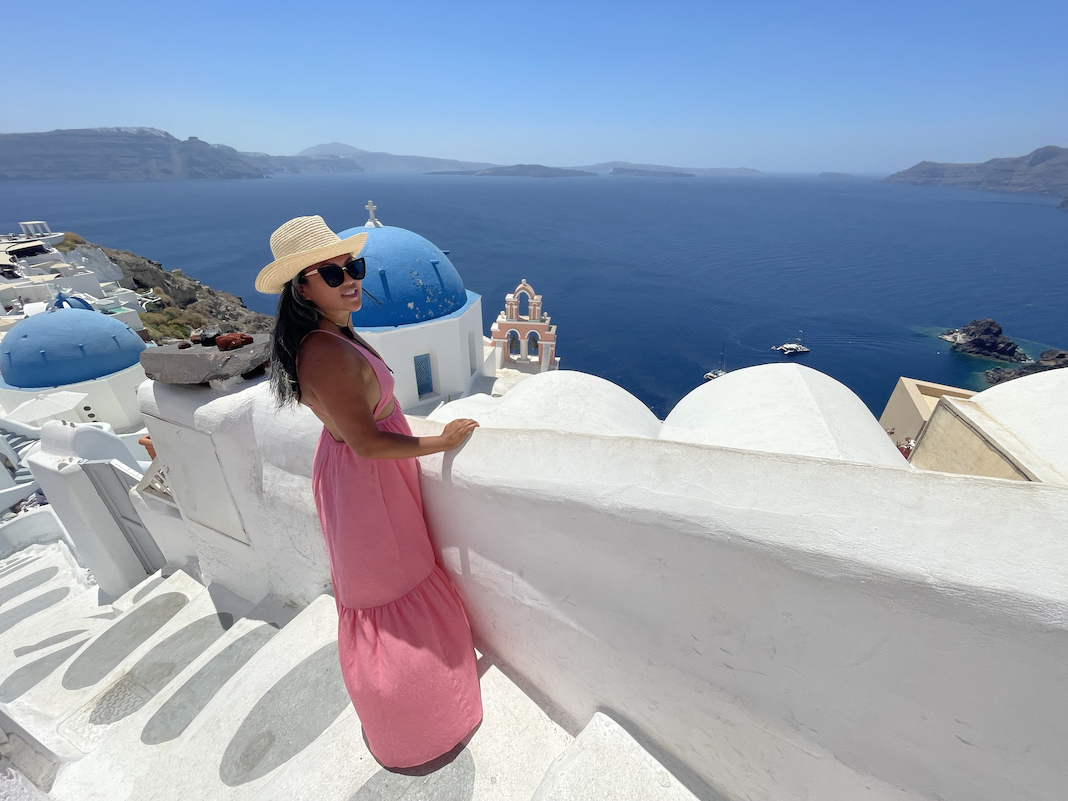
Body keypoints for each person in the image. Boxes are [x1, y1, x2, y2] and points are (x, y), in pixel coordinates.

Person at [256, 215, 483, 769]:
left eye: (353, 267)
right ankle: (416, 728)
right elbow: (366, 443)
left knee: (402, 581)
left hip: (371, 485)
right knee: (391, 590)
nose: (350, 280)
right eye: (332, 274)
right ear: (301, 288)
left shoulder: (335, 335)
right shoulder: (327, 352)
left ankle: (433, 703)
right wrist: (442, 440)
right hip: (368, 488)